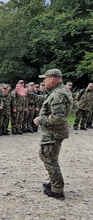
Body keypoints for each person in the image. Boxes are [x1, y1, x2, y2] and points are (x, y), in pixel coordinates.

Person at [32, 69, 73, 199]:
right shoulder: (59, 91)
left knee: (50, 159)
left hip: (53, 133)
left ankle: (57, 190)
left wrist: (40, 120)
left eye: (45, 78)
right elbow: (46, 100)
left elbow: (58, 118)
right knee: (46, 156)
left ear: (51, 79)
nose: (44, 81)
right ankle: (53, 182)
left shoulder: (58, 94)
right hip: (54, 133)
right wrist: (28, 94)